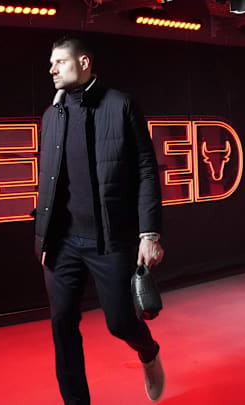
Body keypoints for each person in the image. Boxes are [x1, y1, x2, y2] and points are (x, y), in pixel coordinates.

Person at [34, 35, 166, 404]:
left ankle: (148, 352)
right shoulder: (52, 114)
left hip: (110, 240)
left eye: (59, 61)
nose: (52, 69)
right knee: (62, 325)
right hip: (62, 243)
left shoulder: (121, 105)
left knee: (120, 322)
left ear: (85, 62)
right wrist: (43, 237)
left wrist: (149, 233)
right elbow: (49, 181)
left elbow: (145, 169)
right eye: (50, 63)